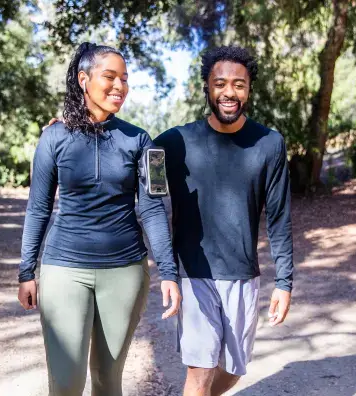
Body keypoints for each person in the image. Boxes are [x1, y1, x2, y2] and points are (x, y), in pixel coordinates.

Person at [17, 42, 181, 396]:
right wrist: (26, 271)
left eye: (125, 79)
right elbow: (38, 207)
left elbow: (152, 208)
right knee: (65, 383)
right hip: (64, 271)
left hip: (124, 273)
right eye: (110, 77)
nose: (119, 86)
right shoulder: (53, 137)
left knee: (108, 383)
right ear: (83, 79)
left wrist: (168, 271)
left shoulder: (142, 140)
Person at [154, 45, 294, 396]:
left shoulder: (269, 144)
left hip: (242, 274)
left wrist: (285, 281)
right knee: (200, 370)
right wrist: (80, 127)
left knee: (233, 369)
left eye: (239, 84)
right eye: (220, 83)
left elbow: (278, 216)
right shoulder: (174, 142)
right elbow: (130, 160)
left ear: (248, 90)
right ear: (207, 87)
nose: (229, 92)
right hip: (194, 271)